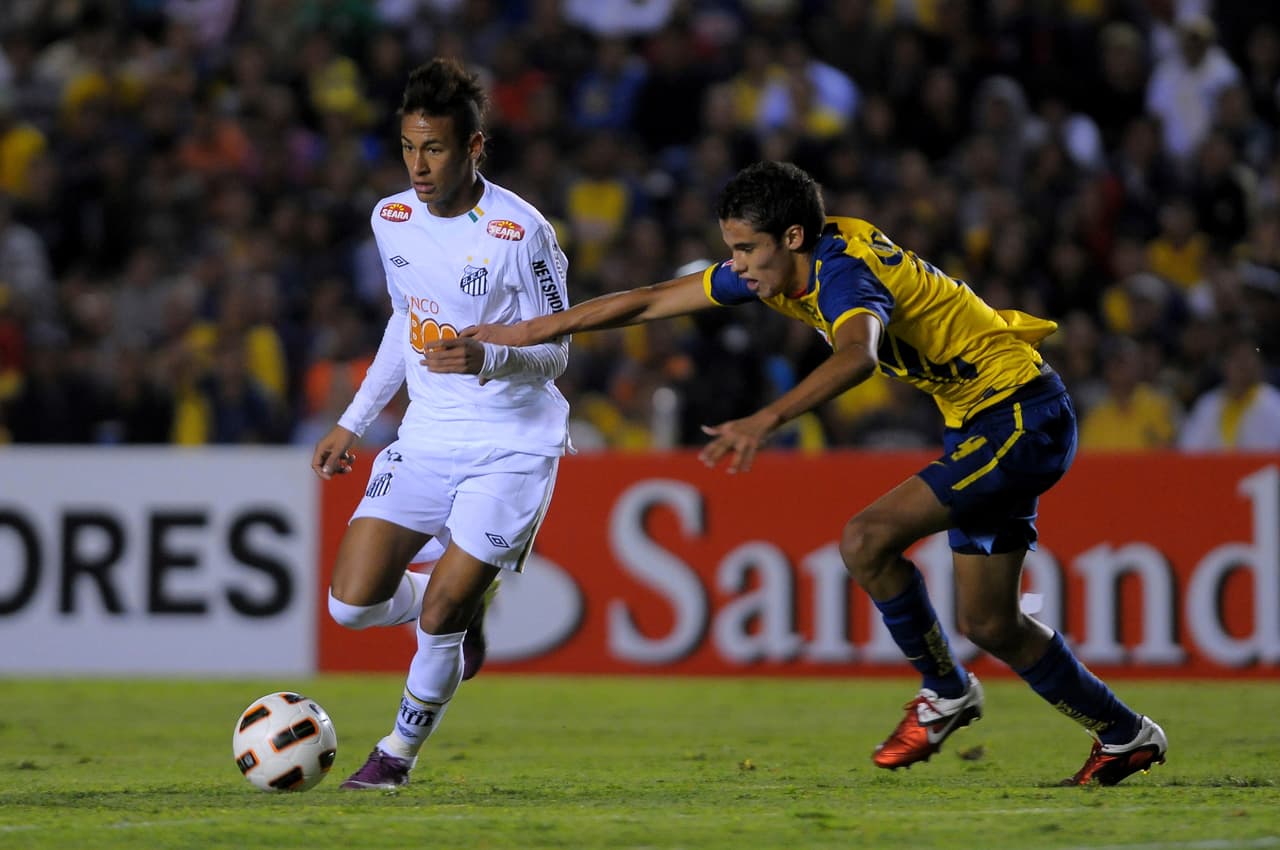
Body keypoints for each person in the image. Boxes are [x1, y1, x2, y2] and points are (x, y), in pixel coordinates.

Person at [467, 161, 1167, 786]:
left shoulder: (842, 275)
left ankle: (945, 693)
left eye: (746, 249)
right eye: (731, 248)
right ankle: (1125, 733)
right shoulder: (782, 267)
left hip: (1018, 417)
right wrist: (527, 332)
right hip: (993, 419)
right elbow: (650, 300)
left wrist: (764, 421)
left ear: (792, 238)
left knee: (866, 540)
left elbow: (858, 355)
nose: (736, 265)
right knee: (990, 620)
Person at [311, 58, 572, 790]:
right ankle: (452, 594)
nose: (419, 166)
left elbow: (559, 351)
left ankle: (394, 756)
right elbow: (405, 319)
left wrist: (490, 357)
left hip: (514, 444)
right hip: (427, 437)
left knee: (444, 613)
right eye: (408, 148)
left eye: (436, 149)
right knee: (350, 604)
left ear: (473, 148)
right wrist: (354, 421)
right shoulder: (390, 219)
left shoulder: (523, 232)